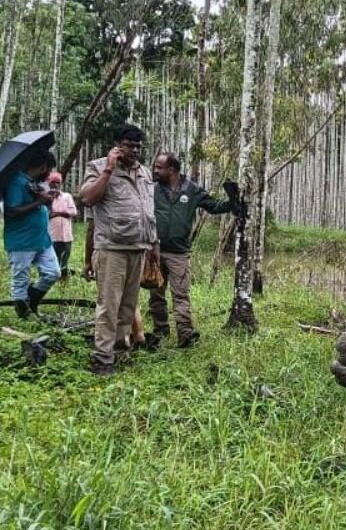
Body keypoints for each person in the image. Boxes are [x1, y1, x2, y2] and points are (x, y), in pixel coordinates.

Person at [80, 124, 158, 375]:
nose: (134, 151)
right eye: (129, 146)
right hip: (111, 247)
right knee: (109, 304)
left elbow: (148, 211)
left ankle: (120, 350)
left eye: (138, 147)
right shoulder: (97, 167)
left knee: (128, 305)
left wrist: (154, 243)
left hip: (139, 247)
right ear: (117, 145)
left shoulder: (145, 173)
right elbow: (88, 198)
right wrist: (108, 170)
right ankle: (102, 357)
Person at [150, 152, 234, 348]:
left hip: (178, 253)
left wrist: (232, 201)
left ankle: (185, 333)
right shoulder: (152, 189)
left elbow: (214, 206)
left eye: (159, 167)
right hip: (154, 250)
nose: (155, 171)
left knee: (180, 294)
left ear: (172, 170)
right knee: (156, 294)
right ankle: (160, 331)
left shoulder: (192, 189)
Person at [3, 149, 61, 318]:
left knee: (53, 273)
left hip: (42, 240)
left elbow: (41, 206)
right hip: (22, 240)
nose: (49, 174)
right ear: (43, 166)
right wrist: (39, 201)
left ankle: (31, 302)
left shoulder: (33, 183)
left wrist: (47, 200)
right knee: (20, 278)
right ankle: (23, 313)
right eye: (49, 169)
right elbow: (11, 210)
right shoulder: (16, 182)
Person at [83, 223, 154, 350]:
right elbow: (91, 227)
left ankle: (122, 346)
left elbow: (91, 228)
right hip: (111, 249)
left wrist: (88, 260)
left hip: (135, 249)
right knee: (113, 304)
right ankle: (105, 351)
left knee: (124, 302)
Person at [47, 172, 78, 281]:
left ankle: (64, 279)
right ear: (49, 183)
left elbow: (73, 212)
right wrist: (63, 213)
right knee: (53, 259)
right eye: (53, 182)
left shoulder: (67, 196)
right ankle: (53, 279)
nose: (55, 185)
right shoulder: (46, 198)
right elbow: (47, 214)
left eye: (57, 182)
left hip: (66, 235)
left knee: (65, 259)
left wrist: (57, 213)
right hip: (52, 235)